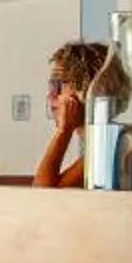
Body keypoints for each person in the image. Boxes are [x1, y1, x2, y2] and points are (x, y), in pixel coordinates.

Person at [31, 39, 109, 187]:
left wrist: (64, 131)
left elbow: (42, 197)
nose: (51, 96)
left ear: (88, 89)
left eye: (59, 84)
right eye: (51, 85)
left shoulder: (108, 151)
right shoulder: (102, 146)